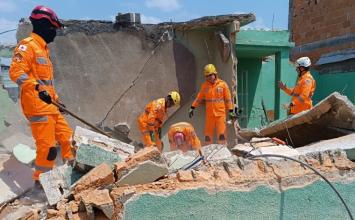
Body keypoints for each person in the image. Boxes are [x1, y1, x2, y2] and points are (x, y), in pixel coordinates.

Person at [9, 6, 74, 181]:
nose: (55, 33)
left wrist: (58, 102)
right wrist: (36, 88)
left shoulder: (43, 50)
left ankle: (73, 176)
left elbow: (46, 83)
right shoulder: (27, 46)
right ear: (43, 25)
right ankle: (41, 183)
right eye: (53, 29)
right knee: (48, 149)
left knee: (69, 140)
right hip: (37, 106)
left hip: (50, 105)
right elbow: (16, 73)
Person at [189, 64, 236, 145]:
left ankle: (222, 152)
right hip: (209, 115)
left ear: (215, 74)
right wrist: (192, 107)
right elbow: (198, 98)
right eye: (207, 76)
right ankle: (208, 154)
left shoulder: (223, 84)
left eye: (210, 75)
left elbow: (228, 99)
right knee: (208, 136)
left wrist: (231, 111)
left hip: (220, 115)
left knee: (222, 135)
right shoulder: (205, 86)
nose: (209, 77)